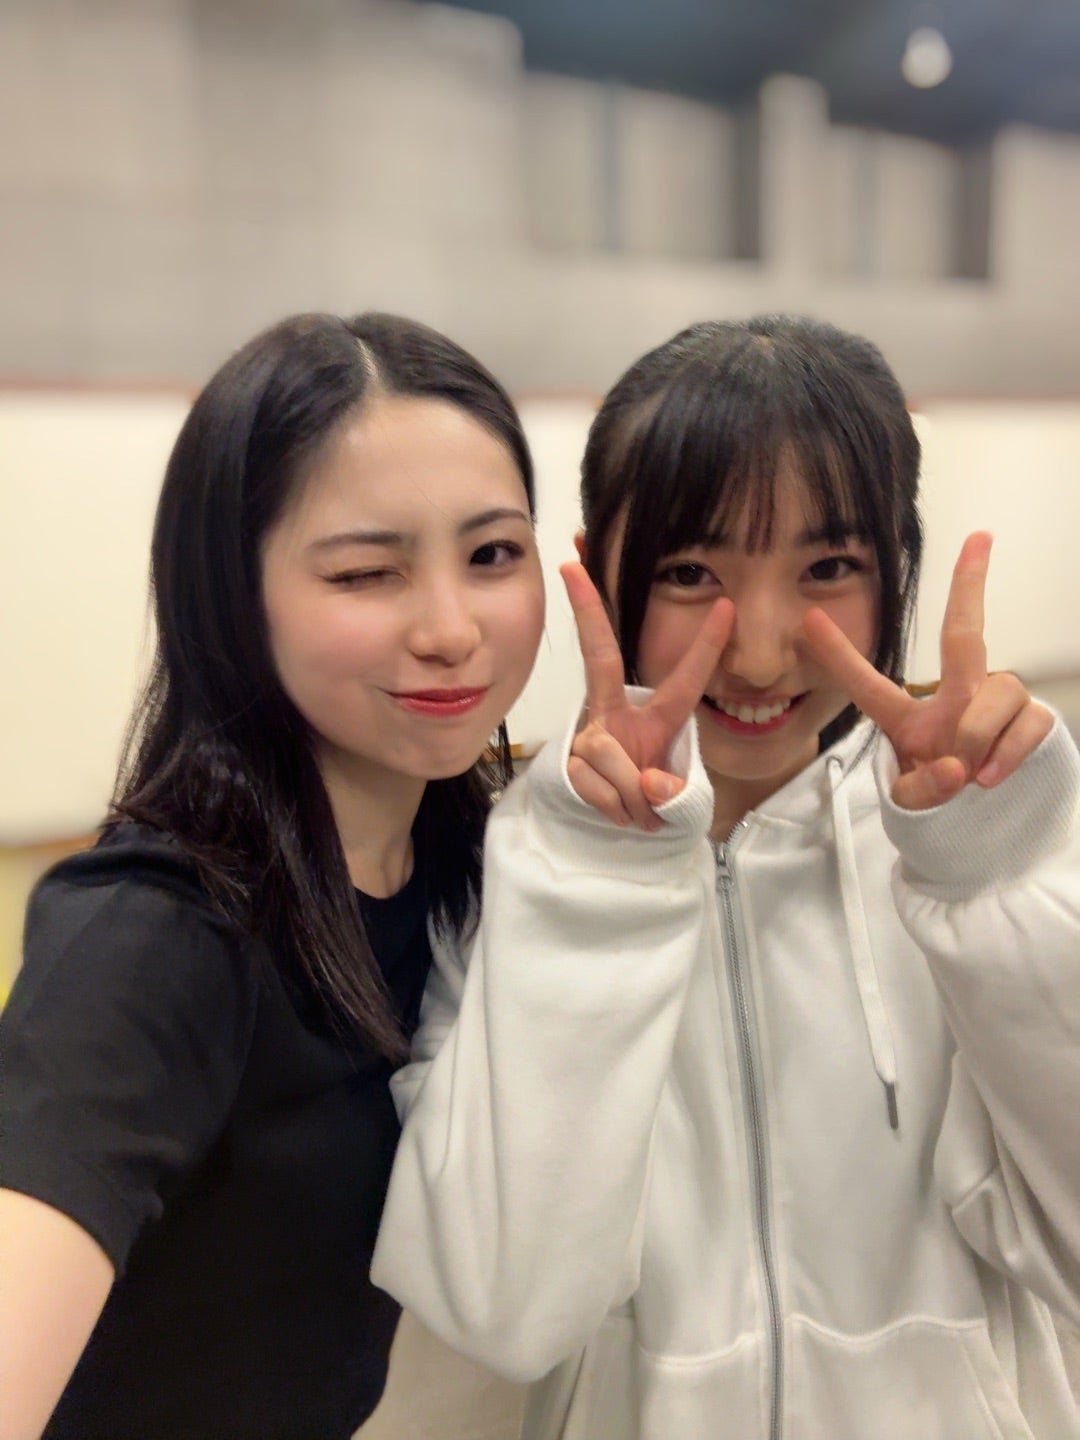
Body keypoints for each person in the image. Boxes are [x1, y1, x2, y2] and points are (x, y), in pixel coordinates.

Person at [372, 315, 1080, 1438]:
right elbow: (505, 1310)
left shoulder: (989, 843)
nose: (756, 651)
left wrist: (989, 884)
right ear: (601, 568)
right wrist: (600, 881)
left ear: (898, 563)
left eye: (828, 568)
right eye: (691, 572)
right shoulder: (521, 871)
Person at [0, 311, 545, 1440]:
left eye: (492, 554)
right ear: (231, 597)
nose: (451, 628)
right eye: (367, 572)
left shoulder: (472, 870)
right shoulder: (154, 933)